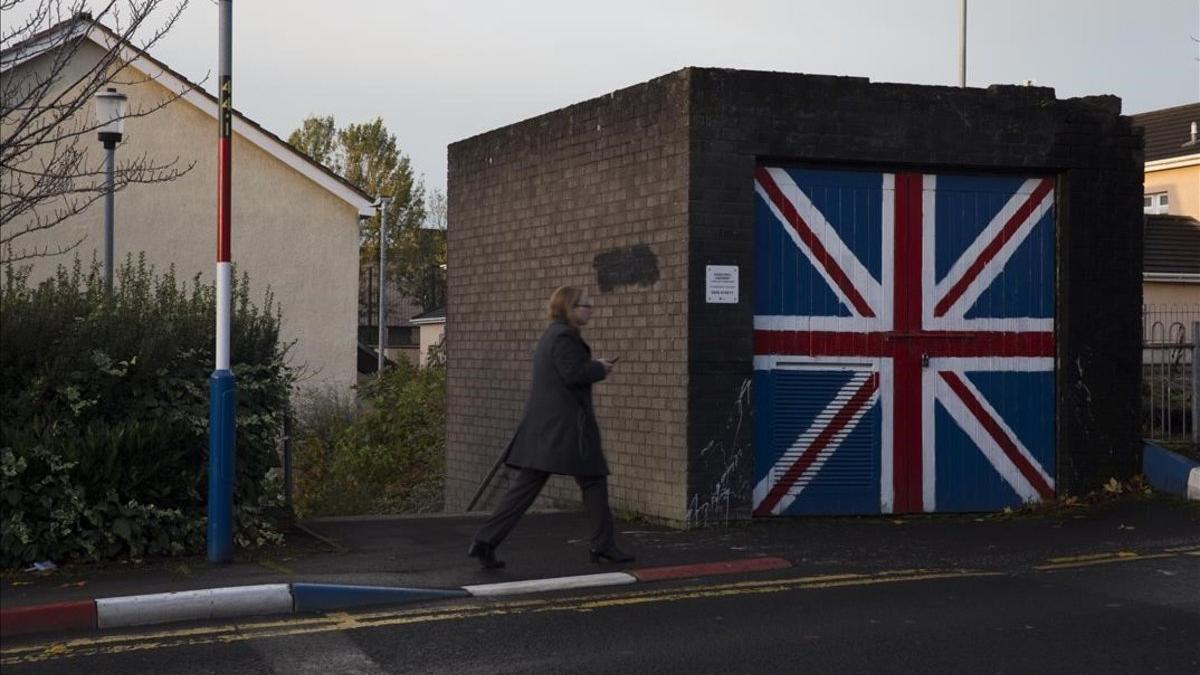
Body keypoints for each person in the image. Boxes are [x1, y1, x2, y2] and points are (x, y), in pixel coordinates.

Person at [467, 286, 634, 569]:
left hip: (546, 429)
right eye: (585, 305)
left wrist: (592, 365)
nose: (590, 309)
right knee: (594, 481)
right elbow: (572, 374)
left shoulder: (552, 335)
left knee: (525, 488)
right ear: (569, 308)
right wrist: (599, 368)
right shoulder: (564, 337)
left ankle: (485, 541)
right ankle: (603, 546)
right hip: (567, 429)